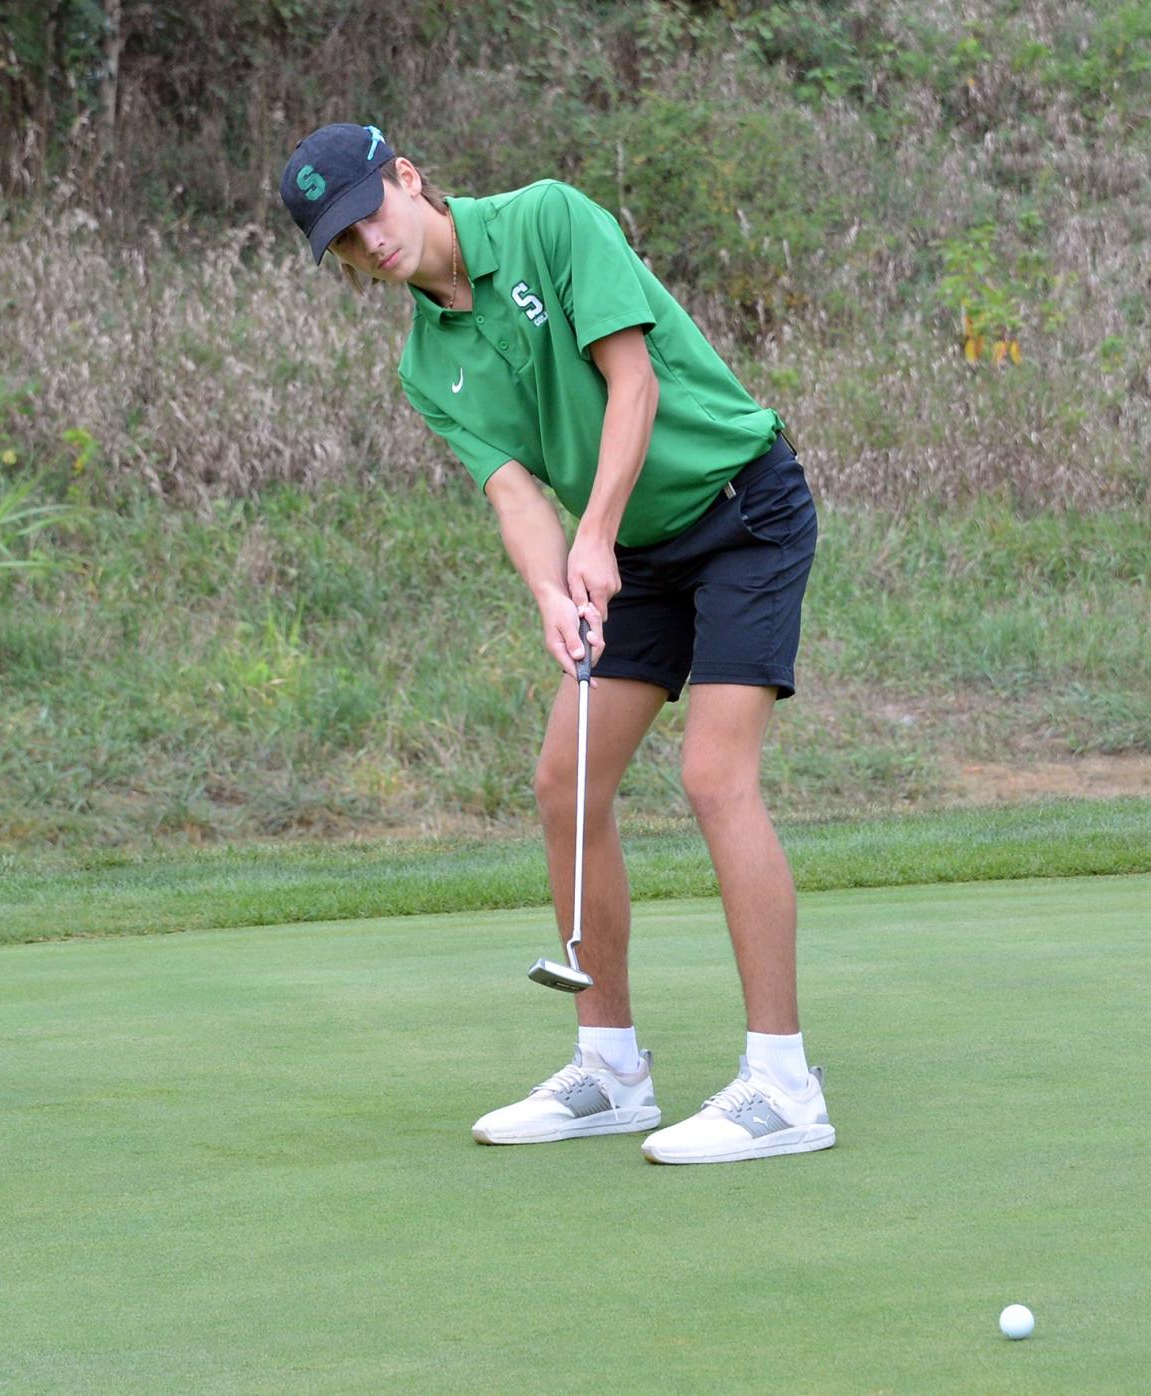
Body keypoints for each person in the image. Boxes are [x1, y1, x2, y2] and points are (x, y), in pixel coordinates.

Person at [280, 122, 835, 1164]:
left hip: (740, 510)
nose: (367, 246)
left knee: (716, 777)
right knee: (562, 781)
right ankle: (612, 1067)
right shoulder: (424, 364)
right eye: (342, 243)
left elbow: (635, 384)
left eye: (369, 215)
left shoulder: (549, 218)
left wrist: (593, 536)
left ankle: (784, 1082)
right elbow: (512, 492)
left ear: (407, 178)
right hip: (631, 547)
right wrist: (551, 586)